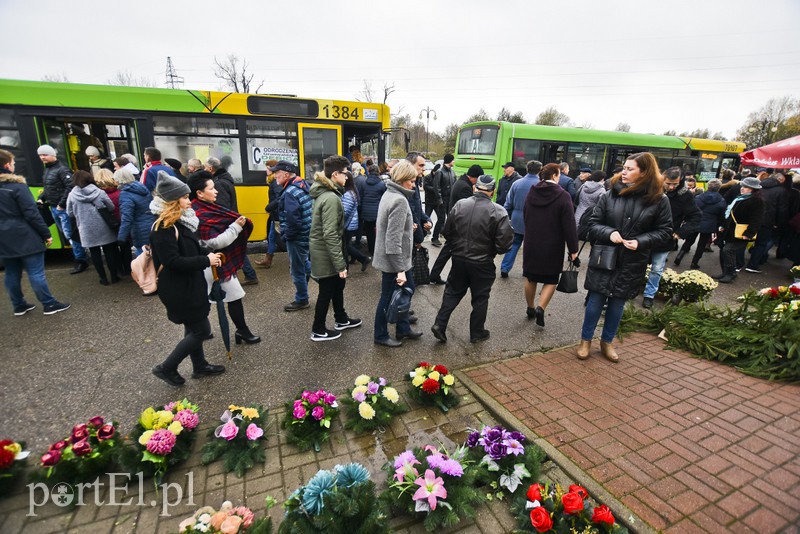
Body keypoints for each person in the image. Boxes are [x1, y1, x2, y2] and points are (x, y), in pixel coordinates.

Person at [577, 152, 672, 362]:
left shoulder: (659, 199)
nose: (624, 172)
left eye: (630, 169)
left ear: (644, 172)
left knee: (617, 303)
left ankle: (607, 342)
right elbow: (592, 224)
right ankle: (585, 341)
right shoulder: (609, 194)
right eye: (624, 168)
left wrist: (641, 241)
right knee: (595, 301)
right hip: (605, 256)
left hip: (633, 260)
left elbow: (665, 231)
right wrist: (609, 233)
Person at [149, 173, 225, 386]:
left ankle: (199, 366)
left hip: (189, 285)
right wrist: (205, 260)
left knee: (193, 327)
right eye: (184, 197)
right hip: (179, 289)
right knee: (202, 330)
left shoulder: (180, 223)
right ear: (173, 202)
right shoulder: (163, 228)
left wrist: (206, 252)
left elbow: (188, 249)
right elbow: (173, 261)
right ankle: (167, 367)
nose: (189, 201)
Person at [430, 174, 513, 343]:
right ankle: (476, 332)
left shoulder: (461, 205)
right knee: (480, 297)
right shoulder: (498, 211)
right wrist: (493, 250)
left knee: (453, 292)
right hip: (482, 262)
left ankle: (440, 323)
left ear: (476, 188)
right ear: (493, 191)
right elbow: (504, 244)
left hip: (460, 259)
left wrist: (457, 246)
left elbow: (447, 232)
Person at [188, 171, 261, 345]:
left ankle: (240, 331)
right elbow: (214, 243)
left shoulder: (208, 207)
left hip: (218, 263)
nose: (216, 192)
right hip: (209, 264)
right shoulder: (197, 212)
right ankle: (202, 332)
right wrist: (236, 227)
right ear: (199, 193)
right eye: (211, 188)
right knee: (207, 301)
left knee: (232, 297)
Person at [0, 149, 70, 316]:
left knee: (11, 272)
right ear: (7, 165)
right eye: (13, 163)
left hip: (3, 237)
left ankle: (19, 305)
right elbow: (31, 214)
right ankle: (49, 304)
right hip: (23, 234)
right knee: (35, 271)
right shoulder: (16, 187)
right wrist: (46, 234)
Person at [309, 155, 363, 341]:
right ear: (335, 174)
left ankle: (341, 319)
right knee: (327, 290)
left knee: (337, 286)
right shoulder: (331, 198)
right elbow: (330, 234)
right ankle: (318, 329)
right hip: (326, 253)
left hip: (325, 251)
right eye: (345, 173)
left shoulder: (328, 193)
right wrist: (340, 265)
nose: (347, 176)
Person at [521, 164, 579, 326]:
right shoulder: (563, 196)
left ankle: (530, 307)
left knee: (530, 276)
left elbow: (526, 214)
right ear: (554, 175)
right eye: (559, 174)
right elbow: (569, 226)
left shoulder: (532, 192)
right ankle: (541, 307)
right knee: (551, 279)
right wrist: (573, 250)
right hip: (553, 245)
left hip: (532, 241)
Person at [373, 160, 422, 347]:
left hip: (396, 260)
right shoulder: (399, 200)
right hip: (395, 261)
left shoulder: (390, 193)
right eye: (411, 180)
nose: (414, 184)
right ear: (402, 179)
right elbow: (392, 240)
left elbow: (390, 229)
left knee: (407, 290)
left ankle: (402, 328)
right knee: (387, 298)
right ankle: (380, 335)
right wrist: (400, 270)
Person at [642, 167, 700, 309]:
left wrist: (681, 232)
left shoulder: (685, 196)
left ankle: (649, 295)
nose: (671, 187)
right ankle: (633, 288)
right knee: (638, 265)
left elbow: (696, 216)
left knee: (657, 268)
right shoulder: (650, 189)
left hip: (665, 238)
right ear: (662, 177)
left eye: (675, 183)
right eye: (668, 183)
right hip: (644, 235)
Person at [36, 144, 88, 274]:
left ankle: (81, 260)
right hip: (55, 206)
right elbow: (49, 187)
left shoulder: (62, 170)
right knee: (67, 234)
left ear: (53, 155)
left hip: (61, 208)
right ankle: (80, 256)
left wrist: (61, 204)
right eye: (40, 155)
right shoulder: (48, 170)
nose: (43, 157)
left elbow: (70, 187)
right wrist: (42, 197)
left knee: (71, 235)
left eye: (45, 155)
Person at [66, 170, 123, 285]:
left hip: (86, 228)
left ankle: (103, 279)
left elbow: (69, 213)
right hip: (104, 226)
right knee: (109, 251)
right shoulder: (99, 192)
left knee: (94, 253)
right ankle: (114, 276)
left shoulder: (72, 195)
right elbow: (111, 207)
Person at [429, 164, 483, 284]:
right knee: (452, 253)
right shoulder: (465, 187)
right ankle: (442, 277)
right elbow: (468, 208)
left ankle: (434, 275)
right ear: (474, 177)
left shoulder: (461, 182)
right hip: (459, 226)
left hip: (454, 223)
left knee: (447, 252)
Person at [274, 160, 313, 311]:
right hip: (306, 233)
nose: (275, 176)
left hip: (297, 237)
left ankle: (302, 299)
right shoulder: (301, 184)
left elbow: (293, 220)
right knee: (303, 263)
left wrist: (286, 237)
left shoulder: (289, 192)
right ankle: (320, 282)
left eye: (277, 174)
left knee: (296, 270)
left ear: (285, 174)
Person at [715, 177, 764, 283]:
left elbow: (756, 219)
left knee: (728, 250)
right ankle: (725, 272)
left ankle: (731, 273)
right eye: (743, 186)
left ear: (753, 189)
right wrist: (723, 225)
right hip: (730, 230)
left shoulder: (756, 201)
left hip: (741, 232)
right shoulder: (739, 198)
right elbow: (730, 214)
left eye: (746, 187)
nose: (742, 188)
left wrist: (749, 233)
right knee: (723, 249)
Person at [500, 160, 543, 278]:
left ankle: (505, 267)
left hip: (517, 218)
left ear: (527, 169)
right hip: (534, 220)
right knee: (531, 246)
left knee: (513, 244)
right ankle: (528, 269)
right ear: (540, 171)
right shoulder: (541, 185)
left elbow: (508, 203)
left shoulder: (517, 183)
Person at [744, 171, 787, 273]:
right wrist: (778, 222)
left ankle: (738, 263)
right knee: (761, 243)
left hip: (752, 217)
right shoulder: (781, 190)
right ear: (780, 180)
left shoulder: (759, 186)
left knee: (743, 240)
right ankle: (753, 265)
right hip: (767, 220)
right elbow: (782, 209)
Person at [680, 179, 726, 269]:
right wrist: (720, 225)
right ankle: (694, 262)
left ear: (708, 186)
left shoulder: (698, 197)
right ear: (719, 188)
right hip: (709, 223)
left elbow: (692, 209)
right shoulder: (721, 200)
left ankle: (679, 256)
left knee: (689, 240)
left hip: (696, 221)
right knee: (702, 244)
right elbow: (721, 214)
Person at [94, 168, 130, 275]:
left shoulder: (98, 195)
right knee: (125, 246)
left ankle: (118, 269)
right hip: (122, 222)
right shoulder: (121, 192)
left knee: (112, 249)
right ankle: (128, 268)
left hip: (108, 225)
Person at [114, 167, 156, 257]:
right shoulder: (141, 188)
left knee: (143, 258)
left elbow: (127, 217)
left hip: (140, 229)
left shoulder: (125, 194)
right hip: (151, 224)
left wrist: (121, 237)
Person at [342, 170, 371, 270]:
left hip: (348, 225)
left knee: (345, 246)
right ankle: (357, 258)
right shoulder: (352, 191)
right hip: (352, 224)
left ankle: (363, 259)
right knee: (347, 244)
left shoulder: (347, 194)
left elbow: (345, 212)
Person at [357, 164, 386, 255]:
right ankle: (378, 249)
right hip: (377, 212)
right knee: (379, 230)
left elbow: (360, 197)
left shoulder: (364, 183)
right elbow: (384, 199)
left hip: (366, 211)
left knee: (369, 232)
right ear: (378, 172)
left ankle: (371, 249)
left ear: (369, 172)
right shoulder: (381, 184)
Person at [429, 154, 457, 246]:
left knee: (450, 218)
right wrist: (440, 200)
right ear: (449, 161)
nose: (454, 161)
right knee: (441, 219)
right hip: (443, 200)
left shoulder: (452, 172)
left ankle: (448, 236)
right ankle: (435, 238)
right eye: (453, 160)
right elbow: (437, 187)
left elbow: (454, 184)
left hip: (450, 200)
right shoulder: (440, 172)